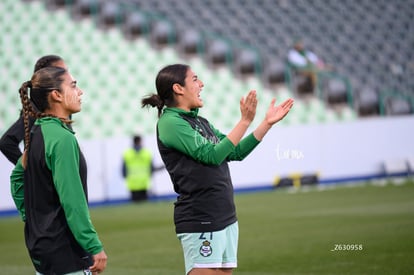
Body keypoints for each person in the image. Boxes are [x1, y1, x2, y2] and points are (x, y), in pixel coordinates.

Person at [141, 64, 294, 275]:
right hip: (200, 214)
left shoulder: (200, 121)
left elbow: (235, 151)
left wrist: (266, 123)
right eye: (195, 79)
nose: (201, 83)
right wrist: (245, 121)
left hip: (225, 213)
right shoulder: (170, 122)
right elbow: (212, 156)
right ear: (178, 88)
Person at [10, 66, 108, 274]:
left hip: (42, 249)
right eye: (73, 85)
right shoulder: (62, 139)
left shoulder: (37, 131)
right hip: (66, 251)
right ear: (56, 95)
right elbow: (72, 200)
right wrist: (93, 245)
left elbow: (17, 178)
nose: (80, 92)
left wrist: (31, 219)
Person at [0, 55, 68, 165]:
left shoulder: (63, 107)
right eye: (61, 70)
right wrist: (30, 169)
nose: (67, 75)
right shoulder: (35, 111)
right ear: (46, 77)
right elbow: (6, 143)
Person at [121, 134, 164, 202]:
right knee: (144, 206)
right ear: (140, 141)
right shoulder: (146, 153)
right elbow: (151, 168)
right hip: (144, 183)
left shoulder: (127, 153)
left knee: (135, 207)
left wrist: (125, 177)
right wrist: (162, 167)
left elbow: (123, 171)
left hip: (132, 183)